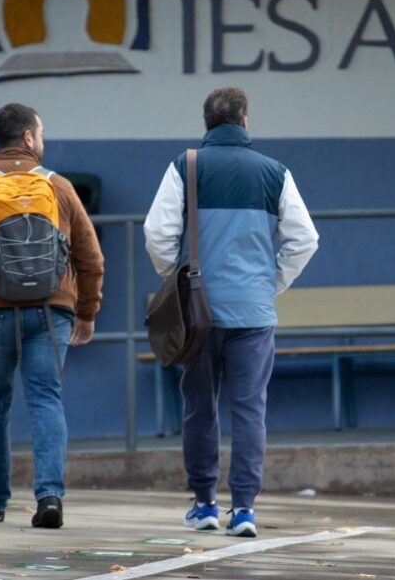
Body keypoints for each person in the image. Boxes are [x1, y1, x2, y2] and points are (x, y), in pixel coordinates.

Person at [144, 87, 318, 537]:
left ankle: (203, 503)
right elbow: (305, 239)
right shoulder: (274, 172)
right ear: (245, 121)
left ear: (206, 124)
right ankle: (244, 510)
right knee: (249, 411)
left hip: (196, 316)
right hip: (254, 315)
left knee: (199, 407)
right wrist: (271, 284)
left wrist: (178, 279)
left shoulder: (186, 166)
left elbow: (157, 233)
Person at [0, 103, 104, 528]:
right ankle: (49, 498)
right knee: (45, 400)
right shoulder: (59, 187)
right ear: (29, 138)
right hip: (50, 312)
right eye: (41, 133)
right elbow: (90, 256)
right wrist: (86, 313)